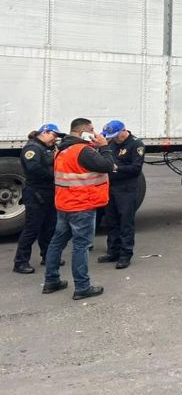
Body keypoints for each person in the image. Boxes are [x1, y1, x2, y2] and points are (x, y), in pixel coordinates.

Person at [42, 118, 115, 300]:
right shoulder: (83, 151)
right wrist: (104, 146)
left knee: (57, 242)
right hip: (82, 205)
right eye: (91, 130)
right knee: (81, 246)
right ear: (82, 132)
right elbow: (107, 166)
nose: (94, 133)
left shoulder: (62, 150)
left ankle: (51, 281)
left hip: (64, 204)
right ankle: (82, 286)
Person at [13, 124, 64, 274]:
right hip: (36, 193)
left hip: (48, 192)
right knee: (32, 228)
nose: (55, 140)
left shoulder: (46, 148)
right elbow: (34, 169)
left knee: (49, 226)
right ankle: (20, 262)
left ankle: (47, 256)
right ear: (45, 132)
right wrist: (54, 173)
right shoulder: (32, 148)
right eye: (54, 136)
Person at [97, 120, 145, 269]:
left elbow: (136, 168)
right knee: (111, 221)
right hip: (110, 187)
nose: (115, 139)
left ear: (124, 131)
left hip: (126, 188)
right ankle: (113, 251)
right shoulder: (111, 143)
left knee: (126, 222)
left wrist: (117, 169)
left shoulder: (136, 144)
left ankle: (125, 254)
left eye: (116, 136)